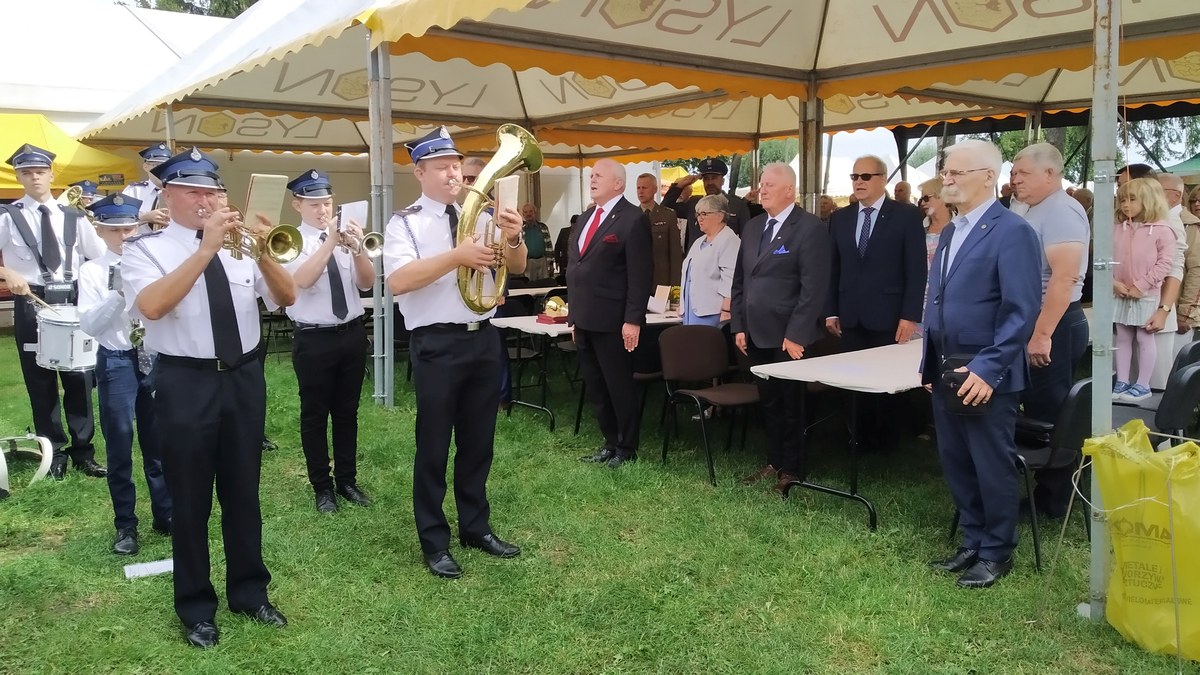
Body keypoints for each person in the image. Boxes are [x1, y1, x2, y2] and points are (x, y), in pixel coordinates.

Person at [122, 147, 296, 648]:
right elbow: (152, 306)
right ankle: (196, 607)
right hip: (185, 380)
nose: (206, 199)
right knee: (191, 498)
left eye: (213, 190)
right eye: (194, 191)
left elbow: (285, 298)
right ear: (167, 195)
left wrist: (262, 248)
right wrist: (204, 251)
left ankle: (250, 592)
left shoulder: (241, 246)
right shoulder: (146, 249)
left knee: (244, 491)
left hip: (242, 377)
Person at [383, 127, 528, 579]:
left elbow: (515, 268)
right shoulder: (403, 222)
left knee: (478, 441)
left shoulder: (482, 212)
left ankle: (475, 526)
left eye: (456, 165)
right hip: (438, 342)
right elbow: (398, 282)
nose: (453, 173)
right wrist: (457, 256)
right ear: (419, 172)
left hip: (483, 336)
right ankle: (433, 540)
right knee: (433, 445)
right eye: (442, 166)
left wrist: (515, 238)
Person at [924, 139, 1042, 589]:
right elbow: (939, 301)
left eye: (955, 172)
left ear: (988, 177)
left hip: (986, 373)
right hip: (947, 368)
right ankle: (972, 540)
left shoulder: (1012, 232)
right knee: (956, 460)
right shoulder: (953, 230)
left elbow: (1021, 310)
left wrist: (989, 370)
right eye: (945, 171)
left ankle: (996, 551)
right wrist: (929, 367)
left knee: (990, 462)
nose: (946, 179)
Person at [0, 143, 107, 480]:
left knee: (79, 375)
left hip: (73, 301)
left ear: (51, 175)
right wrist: (8, 273)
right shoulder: (7, 216)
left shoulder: (74, 216)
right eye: (27, 172)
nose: (34, 177)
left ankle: (83, 451)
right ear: (18, 176)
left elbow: (100, 256)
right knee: (40, 378)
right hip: (32, 301)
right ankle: (52, 451)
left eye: (40, 171)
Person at [76, 194, 172, 555]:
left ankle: (166, 514)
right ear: (100, 231)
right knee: (119, 443)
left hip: (152, 355)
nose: (123, 236)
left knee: (158, 442)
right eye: (114, 230)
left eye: (129, 228)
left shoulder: (152, 261)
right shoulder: (92, 270)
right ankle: (125, 525)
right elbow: (90, 325)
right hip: (117, 358)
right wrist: (118, 294)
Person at [732, 162, 830, 493]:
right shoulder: (753, 226)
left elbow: (813, 288)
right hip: (756, 332)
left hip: (789, 336)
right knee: (769, 402)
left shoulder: (810, 228)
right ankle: (774, 460)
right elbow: (741, 280)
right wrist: (739, 325)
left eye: (770, 184)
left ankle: (793, 467)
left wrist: (797, 334)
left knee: (793, 405)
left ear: (790, 190)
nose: (762, 189)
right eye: (761, 183)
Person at [282, 170, 374, 514]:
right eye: (315, 204)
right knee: (315, 415)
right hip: (314, 337)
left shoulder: (343, 237)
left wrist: (357, 248)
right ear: (297, 205)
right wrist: (331, 244)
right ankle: (322, 486)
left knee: (347, 412)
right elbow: (300, 282)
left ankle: (347, 480)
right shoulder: (291, 241)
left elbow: (366, 283)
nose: (323, 210)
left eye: (327, 203)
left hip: (350, 333)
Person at [1008, 143, 1091, 518]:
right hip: (1038, 321)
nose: (1015, 180)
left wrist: (1042, 334)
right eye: (1013, 173)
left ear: (1050, 174)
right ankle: (1039, 487)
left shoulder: (1061, 210)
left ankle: (1053, 501)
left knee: (1052, 411)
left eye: (1022, 173)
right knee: (1036, 405)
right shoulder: (1031, 209)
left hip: (1054, 322)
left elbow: (1064, 277)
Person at [824, 155, 926, 452]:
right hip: (850, 316)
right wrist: (831, 310)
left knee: (886, 384)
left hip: (889, 315)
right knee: (854, 381)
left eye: (865, 176)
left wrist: (909, 316)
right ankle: (857, 437)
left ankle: (887, 443)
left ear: (883, 179)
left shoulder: (906, 215)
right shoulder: (841, 217)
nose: (858, 182)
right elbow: (834, 268)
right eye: (854, 176)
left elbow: (916, 270)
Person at [569, 159, 653, 469]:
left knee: (618, 384)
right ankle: (609, 441)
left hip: (613, 320)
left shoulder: (632, 219)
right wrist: (573, 316)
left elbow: (640, 274)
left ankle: (627, 447)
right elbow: (575, 267)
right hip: (585, 317)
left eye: (598, 176)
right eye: (591, 175)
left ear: (618, 184)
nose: (592, 179)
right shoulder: (586, 217)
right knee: (596, 384)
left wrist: (633, 319)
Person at [1111, 178, 1176, 403]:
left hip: (1146, 294)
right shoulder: (1118, 228)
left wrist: (1142, 285)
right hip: (1120, 292)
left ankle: (1143, 383)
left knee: (1144, 336)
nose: (1125, 205)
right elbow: (1107, 258)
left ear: (1148, 201)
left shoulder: (1163, 230)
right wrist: (1113, 282)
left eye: (1131, 199)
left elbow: (1165, 264)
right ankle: (1122, 380)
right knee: (1123, 336)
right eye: (1122, 200)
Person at [663, 157, 752, 252]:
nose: (710, 182)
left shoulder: (737, 205)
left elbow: (747, 240)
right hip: (696, 262)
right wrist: (680, 185)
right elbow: (666, 207)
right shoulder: (694, 203)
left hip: (724, 262)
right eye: (706, 179)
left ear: (722, 181)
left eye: (714, 178)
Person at [680, 194, 740, 327]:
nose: (699, 218)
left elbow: (731, 279)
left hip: (713, 314)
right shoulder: (699, 241)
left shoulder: (729, 240)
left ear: (720, 216)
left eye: (704, 214)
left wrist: (726, 310)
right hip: (691, 312)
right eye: (698, 214)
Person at [635, 172, 683, 287]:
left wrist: (675, 286)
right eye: (638, 188)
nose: (641, 191)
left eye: (644, 188)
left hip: (661, 281)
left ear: (655, 189)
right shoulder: (631, 216)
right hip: (637, 282)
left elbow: (675, 254)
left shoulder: (668, 215)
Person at [122, 143, 172, 232]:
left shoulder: (179, 191)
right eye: (156, 166)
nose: (161, 170)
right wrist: (144, 218)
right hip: (139, 243)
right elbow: (120, 223)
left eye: (166, 166)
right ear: (146, 167)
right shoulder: (134, 191)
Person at [918, 178, 954, 270]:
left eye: (926, 198)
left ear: (942, 196)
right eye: (921, 199)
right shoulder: (917, 228)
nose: (922, 203)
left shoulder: (961, 227)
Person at [520, 203, 553, 281]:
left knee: (544, 284)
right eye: (526, 212)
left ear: (535, 213)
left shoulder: (543, 227)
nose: (528, 214)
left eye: (531, 211)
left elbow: (549, 245)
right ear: (523, 214)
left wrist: (551, 263)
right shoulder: (521, 230)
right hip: (528, 262)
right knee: (529, 285)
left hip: (543, 261)